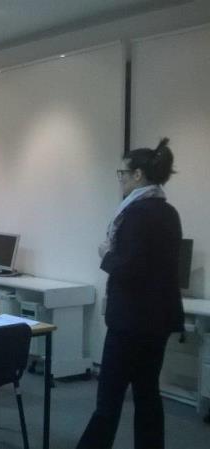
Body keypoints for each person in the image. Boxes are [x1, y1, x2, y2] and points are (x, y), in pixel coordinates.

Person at [77, 138, 184, 449]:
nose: (120, 179)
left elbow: (129, 270)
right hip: (157, 322)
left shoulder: (136, 214)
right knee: (147, 395)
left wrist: (106, 255)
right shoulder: (168, 212)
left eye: (122, 173)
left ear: (138, 175)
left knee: (108, 401)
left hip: (130, 323)